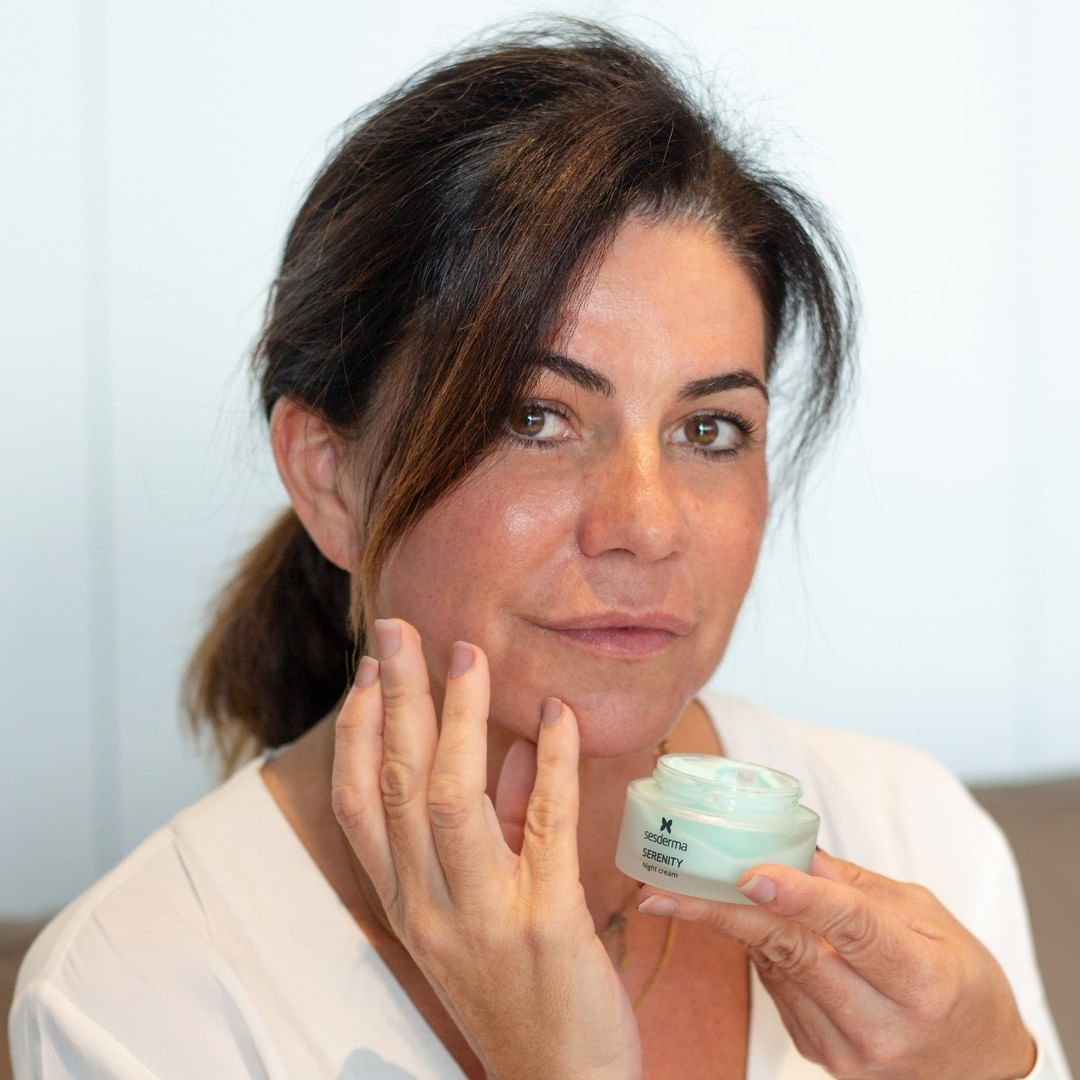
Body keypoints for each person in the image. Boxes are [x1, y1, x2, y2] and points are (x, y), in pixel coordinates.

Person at [8, 17, 1070, 1080]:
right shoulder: (129, 999)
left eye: (709, 429)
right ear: (330, 479)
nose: (646, 526)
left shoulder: (913, 838)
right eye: (535, 419)